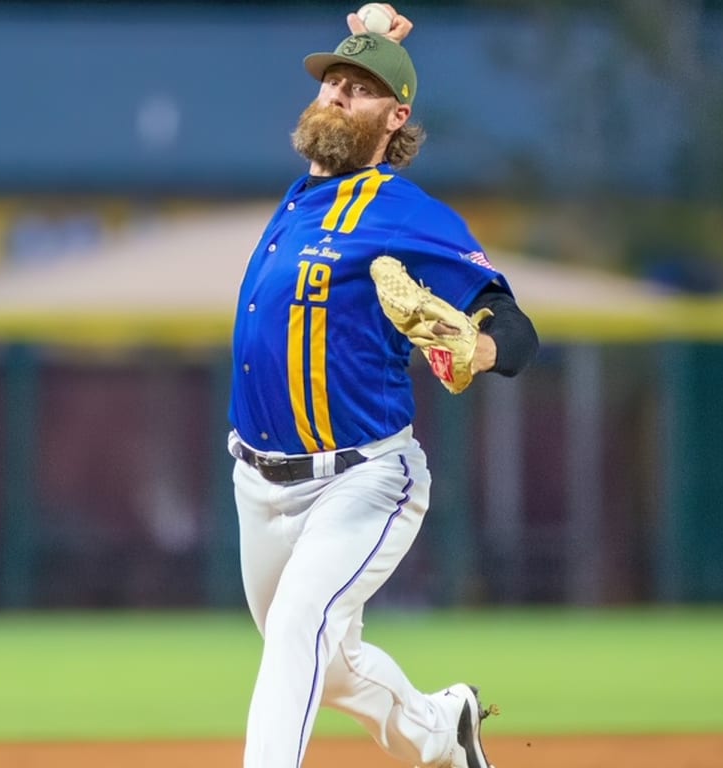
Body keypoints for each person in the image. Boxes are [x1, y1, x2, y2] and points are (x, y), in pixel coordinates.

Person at [226, 6, 539, 767]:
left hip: (363, 479)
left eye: (358, 88)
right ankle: (443, 729)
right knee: (322, 661)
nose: (335, 92)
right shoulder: (304, 196)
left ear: (397, 118)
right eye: (332, 79)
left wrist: (479, 345)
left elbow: (514, 323)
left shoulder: (402, 214)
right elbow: (347, 102)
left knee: (301, 629)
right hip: (257, 481)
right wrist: (371, 39)